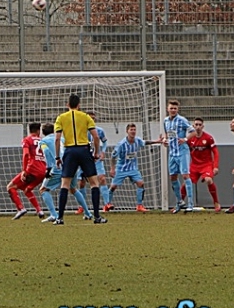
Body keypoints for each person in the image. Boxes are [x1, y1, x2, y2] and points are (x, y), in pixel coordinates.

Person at [53, 93, 106, 225]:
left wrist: (58, 157)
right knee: (94, 183)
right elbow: (96, 137)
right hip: (84, 150)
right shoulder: (85, 117)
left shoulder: (61, 118)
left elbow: (57, 139)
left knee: (65, 185)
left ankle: (60, 218)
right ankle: (97, 217)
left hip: (70, 151)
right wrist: (96, 153)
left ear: (67, 105)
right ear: (79, 105)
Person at [38, 124, 93, 223]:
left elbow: (46, 151)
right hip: (72, 166)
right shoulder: (63, 139)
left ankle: (53, 214)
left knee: (43, 190)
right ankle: (88, 213)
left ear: (43, 132)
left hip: (58, 168)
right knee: (73, 189)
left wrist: (48, 168)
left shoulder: (43, 141)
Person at [105, 123, 158, 212]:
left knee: (140, 184)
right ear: (127, 131)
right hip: (121, 168)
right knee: (113, 187)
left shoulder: (137, 140)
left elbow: (145, 142)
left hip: (133, 168)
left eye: (134, 130)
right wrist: (112, 169)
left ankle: (139, 206)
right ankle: (107, 204)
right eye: (131, 130)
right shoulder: (121, 144)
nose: (133, 132)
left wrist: (157, 141)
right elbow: (113, 156)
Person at [7, 122, 47, 219]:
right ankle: (39, 211)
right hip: (43, 171)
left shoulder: (27, 140)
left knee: (10, 187)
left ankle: (21, 208)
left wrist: (24, 170)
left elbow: (25, 154)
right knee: (27, 189)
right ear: (38, 131)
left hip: (32, 170)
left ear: (29, 130)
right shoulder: (43, 141)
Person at [160, 99, 194, 213]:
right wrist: (165, 140)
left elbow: (193, 132)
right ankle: (180, 202)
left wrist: (185, 139)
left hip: (182, 151)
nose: (173, 110)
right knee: (173, 177)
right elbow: (166, 133)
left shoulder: (182, 120)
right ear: (167, 109)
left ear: (177, 109)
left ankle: (190, 204)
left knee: (185, 176)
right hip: (172, 152)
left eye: (175, 108)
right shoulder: (166, 121)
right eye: (171, 108)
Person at [183, 118, 221, 212]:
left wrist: (215, 166)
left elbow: (215, 152)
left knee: (208, 180)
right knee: (186, 183)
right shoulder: (190, 138)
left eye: (200, 125)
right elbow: (183, 149)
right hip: (194, 165)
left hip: (206, 165)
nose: (198, 127)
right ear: (193, 126)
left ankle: (216, 202)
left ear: (203, 126)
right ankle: (179, 202)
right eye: (196, 124)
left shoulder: (208, 138)